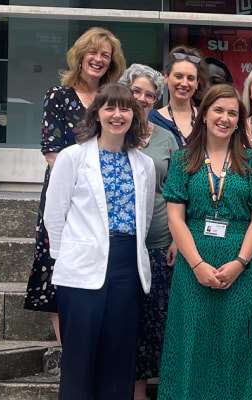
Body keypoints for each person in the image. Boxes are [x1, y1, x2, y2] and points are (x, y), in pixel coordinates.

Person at [158, 84, 252, 400]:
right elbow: (175, 218)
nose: (224, 118)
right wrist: (196, 264)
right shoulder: (183, 159)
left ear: (240, 121)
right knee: (191, 341)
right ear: (204, 114)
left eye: (232, 113)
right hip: (193, 266)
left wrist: (240, 263)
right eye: (218, 110)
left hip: (240, 268)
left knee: (235, 343)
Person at [45, 83, 155, 400]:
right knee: (79, 360)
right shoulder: (73, 157)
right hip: (80, 269)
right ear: (98, 114)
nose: (117, 115)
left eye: (124, 109)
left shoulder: (144, 165)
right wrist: (63, 259)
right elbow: (54, 214)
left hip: (126, 266)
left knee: (119, 358)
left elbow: (144, 217)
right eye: (109, 108)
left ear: (134, 116)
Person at [24, 26, 126, 340]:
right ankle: (68, 351)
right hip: (67, 197)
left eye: (105, 55)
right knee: (61, 271)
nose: (98, 59)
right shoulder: (59, 96)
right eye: (92, 52)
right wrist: (85, 189)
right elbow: (53, 153)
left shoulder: (112, 98)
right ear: (79, 56)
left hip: (108, 199)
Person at [120, 64, 179, 400]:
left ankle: (147, 388)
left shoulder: (166, 138)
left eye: (150, 95)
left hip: (158, 241)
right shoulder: (113, 131)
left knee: (155, 321)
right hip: (122, 245)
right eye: (137, 91)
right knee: (127, 320)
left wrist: (174, 237)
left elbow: (175, 193)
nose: (142, 99)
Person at [151, 46, 206, 147]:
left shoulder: (205, 119)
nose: (184, 83)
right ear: (166, 77)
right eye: (178, 76)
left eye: (190, 78)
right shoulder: (151, 119)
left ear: (197, 83)